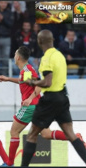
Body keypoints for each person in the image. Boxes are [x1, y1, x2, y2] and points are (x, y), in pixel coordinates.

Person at [0, 46, 86, 166]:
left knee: (14, 131)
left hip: (29, 107)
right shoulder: (26, 70)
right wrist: (8, 79)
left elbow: (38, 85)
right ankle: (76, 137)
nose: (14, 57)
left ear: (18, 57)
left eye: (14, 55)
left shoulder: (27, 70)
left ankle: (9, 164)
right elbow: (23, 81)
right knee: (46, 134)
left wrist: (29, 99)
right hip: (37, 106)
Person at [21, 30, 86, 166]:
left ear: (39, 42)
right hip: (63, 97)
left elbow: (47, 82)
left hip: (50, 99)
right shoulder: (59, 55)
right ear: (53, 41)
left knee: (32, 134)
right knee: (70, 134)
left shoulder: (46, 58)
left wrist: (33, 82)